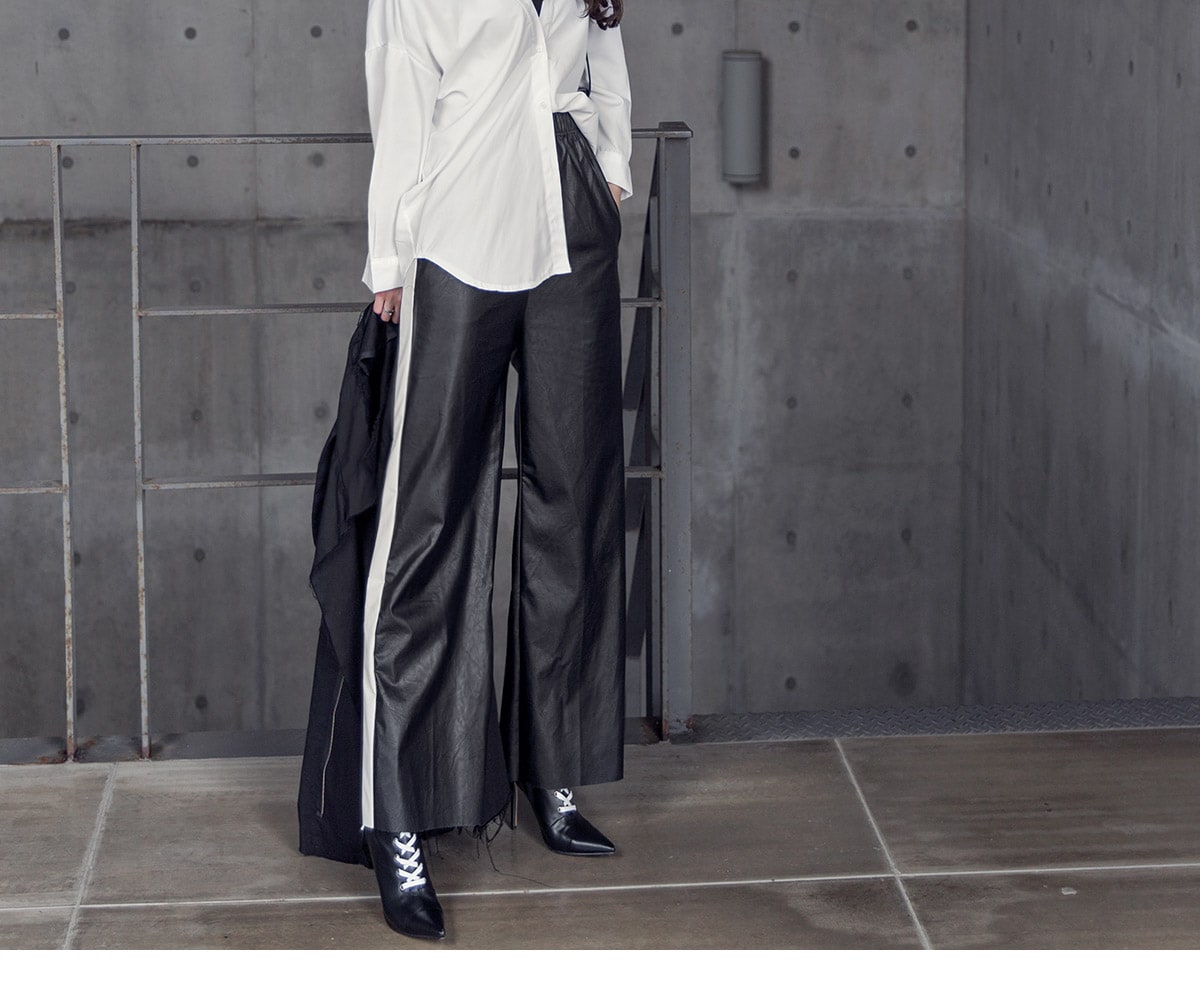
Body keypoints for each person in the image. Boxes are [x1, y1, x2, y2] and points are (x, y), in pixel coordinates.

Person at [296, 0, 632, 942]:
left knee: (576, 499)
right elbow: (400, 94)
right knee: (429, 518)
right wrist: (388, 258)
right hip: (457, 225)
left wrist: (611, 162)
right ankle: (399, 818)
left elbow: (606, 46)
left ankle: (554, 773)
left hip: (571, 218)